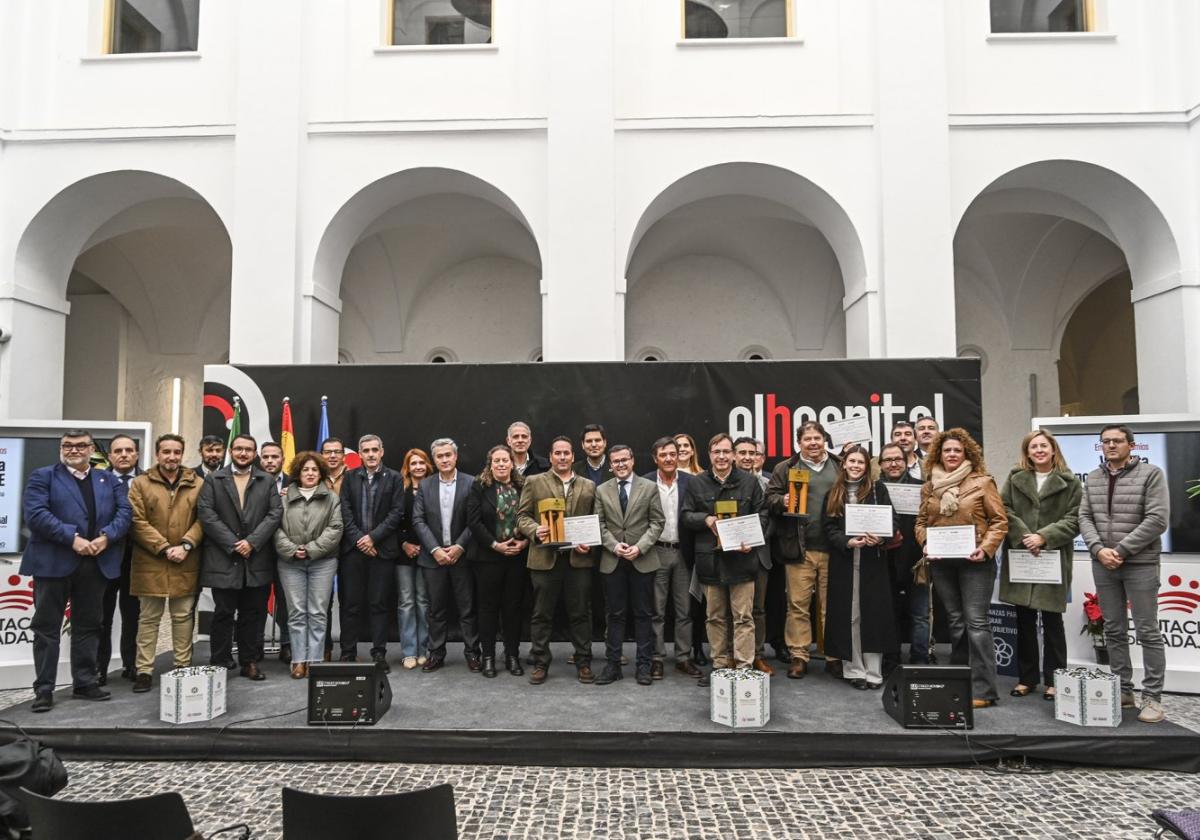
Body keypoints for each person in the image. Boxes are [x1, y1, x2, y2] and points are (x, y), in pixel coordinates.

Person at [22, 430, 132, 712]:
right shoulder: (43, 476)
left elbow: (124, 514)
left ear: (91, 449)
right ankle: (44, 689)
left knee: (89, 626)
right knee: (47, 629)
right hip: (54, 564)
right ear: (61, 448)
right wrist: (73, 539)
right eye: (67, 445)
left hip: (95, 563)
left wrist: (106, 537)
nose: (74, 450)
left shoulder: (107, 479)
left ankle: (84, 682)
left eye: (80, 445)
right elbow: (36, 515)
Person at [1078, 424, 1169, 723]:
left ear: (1131, 445)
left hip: (1139, 563)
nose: (1111, 446)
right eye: (1106, 442)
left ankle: (1153, 698)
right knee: (1114, 630)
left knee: (1147, 631)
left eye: (1117, 441)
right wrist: (1098, 549)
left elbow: (1157, 519)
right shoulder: (1093, 477)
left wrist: (1121, 550)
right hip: (1103, 563)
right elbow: (1085, 516)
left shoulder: (1151, 474)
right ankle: (1123, 690)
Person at [914, 428, 1007, 710]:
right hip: (943, 563)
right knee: (955, 622)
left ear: (967, 454)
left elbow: (999, 521)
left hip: (975, 562)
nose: (952, 454)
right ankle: (960, 678)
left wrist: (986, 548)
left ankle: (984, 688)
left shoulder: (982, 482)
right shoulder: (930, 486)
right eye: (947, 450)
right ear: (938, 454)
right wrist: (926, 543)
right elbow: (920, 522)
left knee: (977, 624)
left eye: (957, 450)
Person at [999, 429, 1081, 702]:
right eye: (1033, 447)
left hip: (1052, 558)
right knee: (1023, 621)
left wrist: (1044, 537)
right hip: (1022, 555)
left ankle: (1055, 680)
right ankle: (1027, 678)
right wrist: (1026, 536)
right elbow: (1004, 510)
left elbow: (1075, 518)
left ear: (1053, 449)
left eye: (1043, 446)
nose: (1039, 450)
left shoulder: (1070, 482)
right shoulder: (1014, 479)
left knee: (1052, 621)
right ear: (1027, 452)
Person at [197, 434, 283, 681]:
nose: (243, 453)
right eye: (238, 449)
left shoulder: (266, 481)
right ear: (231, 451)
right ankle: (220, 661)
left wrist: (252, 542)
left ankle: (249, 662)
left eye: (248, 450)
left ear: (255, 453)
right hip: (225, 558)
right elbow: (207, 514)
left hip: (256, 559)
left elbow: (275, 513)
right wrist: (234, 543)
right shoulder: (214, 479)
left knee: (252, 614)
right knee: (223, 613)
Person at [683, 433, 767, 685]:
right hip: (711, 560)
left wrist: (750, 540)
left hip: (743, 558)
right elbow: (686, 516)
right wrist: (705, 519)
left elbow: (763, 515)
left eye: (725, 451)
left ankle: (743, 668)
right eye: (716, 452)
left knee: (744, 617)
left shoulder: (749, 482)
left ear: (733, 454)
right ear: (709, 455)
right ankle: (719, 666)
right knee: (715, 617)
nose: (721, 456)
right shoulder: (697, 483)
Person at [517, 436, 598, 685]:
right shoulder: (534, 481)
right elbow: (522, 517)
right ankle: (540, 662)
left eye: (566, 453)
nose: (562, 457)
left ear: (573, 457)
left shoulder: (588, 485)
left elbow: (596, 519)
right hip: (544, 559)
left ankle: (584, 661)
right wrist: (534, 530)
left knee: (581, 613)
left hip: (578, 560)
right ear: (550, 457)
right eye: (557, 453)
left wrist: (590, 542)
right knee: (541, 614)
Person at [127, 434, 204, 693]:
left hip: (186, 558)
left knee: (183, 617)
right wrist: (163, 547)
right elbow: (136, 522)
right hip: (150, 560)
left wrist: (185, 545)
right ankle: (144, 671)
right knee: (149, 619)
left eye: (177, 452)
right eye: (166, 452)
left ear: (183, 455)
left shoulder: (198, 484)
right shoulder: (140, 483)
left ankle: (182, 666)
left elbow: (204, 520)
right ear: (157, 455)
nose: (171, 457)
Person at [765, 421, 839, 679]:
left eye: (817, 438)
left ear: (825, 440)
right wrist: (782, 500)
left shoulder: (839, 465)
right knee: (797, 605)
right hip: (799, 549)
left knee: (831, 605)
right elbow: (769, 498)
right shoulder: (785, 468)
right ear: (799, 443)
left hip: (833, 548)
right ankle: (799, 656)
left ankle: (833, 656)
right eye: (807, 439)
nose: (813, 443)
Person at [822, 445, 898, 690]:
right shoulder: (833, 493)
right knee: (850, 616)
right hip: (846, 563)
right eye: (851, 461)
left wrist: (882, 537)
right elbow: (829, 529)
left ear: (867, 467)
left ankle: (873, 671)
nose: (855, 466)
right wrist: (847, 541)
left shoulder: (878, 489)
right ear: (844, 464)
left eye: (861, 462)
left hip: (872, 563)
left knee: (872, 614)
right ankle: (854, 669)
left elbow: (892, 520)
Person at [594, 445, 665, 686]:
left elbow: (657, 522)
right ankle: (612, 665)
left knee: (644, 614)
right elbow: (599, 524)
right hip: (613, 560)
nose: (621, 464)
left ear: (633, 461)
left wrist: (640, 547)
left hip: (642, 560)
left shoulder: (649, 488)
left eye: (625, 460)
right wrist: (614, 546)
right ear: (611, 465)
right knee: (615, 615)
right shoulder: (602, 490)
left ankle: (644, 666)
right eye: (616, 461)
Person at [413, 438, 481, 673]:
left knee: (467, 608)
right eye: (439, 456)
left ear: (455, 457)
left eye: (448, 455)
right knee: (436, 610)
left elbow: (475, 520)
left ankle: (473, 653)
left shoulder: (471, 483)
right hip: (433, 559)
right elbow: (418, 520)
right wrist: (435, 550)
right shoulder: (425, 485)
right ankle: (436, 653)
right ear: (435, 460)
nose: (444, 459)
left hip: (463, 557)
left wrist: (459, 546)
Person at [274, 451, 343, 679]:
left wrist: (311, 549)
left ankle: (314, 660)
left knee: (317, 612)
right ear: (298, 472)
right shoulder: (283, 497)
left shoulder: (331, 498)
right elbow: (275, 528)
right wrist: (294, 550)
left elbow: (335, 528)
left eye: (314, 469)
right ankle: (298, 661)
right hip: (290, 562)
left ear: (321, 472)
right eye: (306, 469)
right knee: (295, 613)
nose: (310, 473)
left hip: (322, 562)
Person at [338, 434, 405, 667]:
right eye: (366, 450)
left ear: (382, 451)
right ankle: (347, 653)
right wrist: (360, 540)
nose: (371, 454)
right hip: (354, 551)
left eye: (375, 450)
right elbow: (345, 511)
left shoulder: (395, 478)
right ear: (360, 453)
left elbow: (396, 513)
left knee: (379, 604)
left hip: (381, 551)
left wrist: (372, 538)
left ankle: (379, 654)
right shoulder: (349, 478)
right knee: (351, 604)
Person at [467, 445, 530, 678]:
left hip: (516, 556)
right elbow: (473, 522)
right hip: (488, 557)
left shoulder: (523, 486)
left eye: (505, 460)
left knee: (513, 608)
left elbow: (530, 517)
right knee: (487, 608)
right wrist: (495, 545)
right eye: (497, 461)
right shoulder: (479, 486)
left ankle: (512, 656)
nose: (501, 464)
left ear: (512, 463)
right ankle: (488, 657)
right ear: (490, 464)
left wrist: (523, 543)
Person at [643, 437, 700, 679]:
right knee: (656, 609)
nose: (668, 458)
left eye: (672, 454)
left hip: (684, 552)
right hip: (656, 551)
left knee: (684, 609)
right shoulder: (644, 482)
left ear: (679, 456)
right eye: (663, 455)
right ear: (655, 458)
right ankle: (656, 658)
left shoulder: (692, 482)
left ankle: (683, 657)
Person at [877, 442, 931, 666]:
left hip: (916, 558)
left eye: (898, 459)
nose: (893, 464)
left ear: (906, 461)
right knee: (888, 614)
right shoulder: (873, 489)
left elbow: (930, 519)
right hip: (884, 561)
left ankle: (920, 659)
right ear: (880, 464)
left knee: (920, 614)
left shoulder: (923, 488)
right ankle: (891, 659)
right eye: (888, 460)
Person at [99, 433, 142, 685]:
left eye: (129, 450)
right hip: (104, 558)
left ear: (136, 453)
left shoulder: (148, 480)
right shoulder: (96, 480)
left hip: (139, 559)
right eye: (118, 451)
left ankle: (132, 664)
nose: (124, 455)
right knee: (101, 617)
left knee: (134, 615)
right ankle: (99, 668)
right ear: (110, 455)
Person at [735, 436, 775, 675]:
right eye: (743, 453)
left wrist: (755, 538)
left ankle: (757, 655)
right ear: (733, 455)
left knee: (757, 610)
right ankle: (734, 656)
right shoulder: (725, 482)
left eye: (753, 453)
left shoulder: (768, 484)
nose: (748, 457)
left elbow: (771, 520)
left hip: (759, 554)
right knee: (734, 611)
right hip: (731, 555)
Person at [397, 448, 433, 669]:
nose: (418, 467)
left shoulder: (432, 488)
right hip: (403, 553)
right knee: (406, 602)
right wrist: (404, 544)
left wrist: (427, 545)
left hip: (428, 552)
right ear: (407, 467)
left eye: (421, 463)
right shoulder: (400, 489)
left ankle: (425, 650)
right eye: (413, 463)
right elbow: (394, 521)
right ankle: (409, 651)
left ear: (427, 465)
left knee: (422, 601)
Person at [259, 440, 292, 664]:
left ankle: (287, 645)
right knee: (257, 602)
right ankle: (252, 646)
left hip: (286, 551)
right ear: (260, 459)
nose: (270, 461)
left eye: (275, 457)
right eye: (266, 457)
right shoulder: (251, 481)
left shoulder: (295, 482)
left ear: (282, 459)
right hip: (258, 550)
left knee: (286, 602)